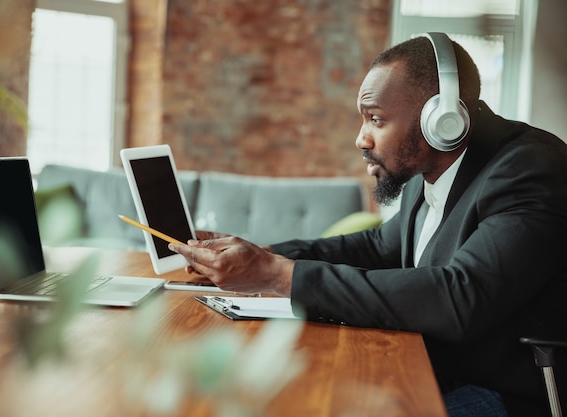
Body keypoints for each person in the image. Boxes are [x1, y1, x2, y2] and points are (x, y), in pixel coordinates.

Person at [168, 33, 567, 417]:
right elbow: (380, 247)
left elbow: (460, 297)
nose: (361, 138)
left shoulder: (530, 169)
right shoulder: (427, 171)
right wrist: (263, 256)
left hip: (502, 391)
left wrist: (278, 276)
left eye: (376, 119)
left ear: (441, 120)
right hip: (433, 364)